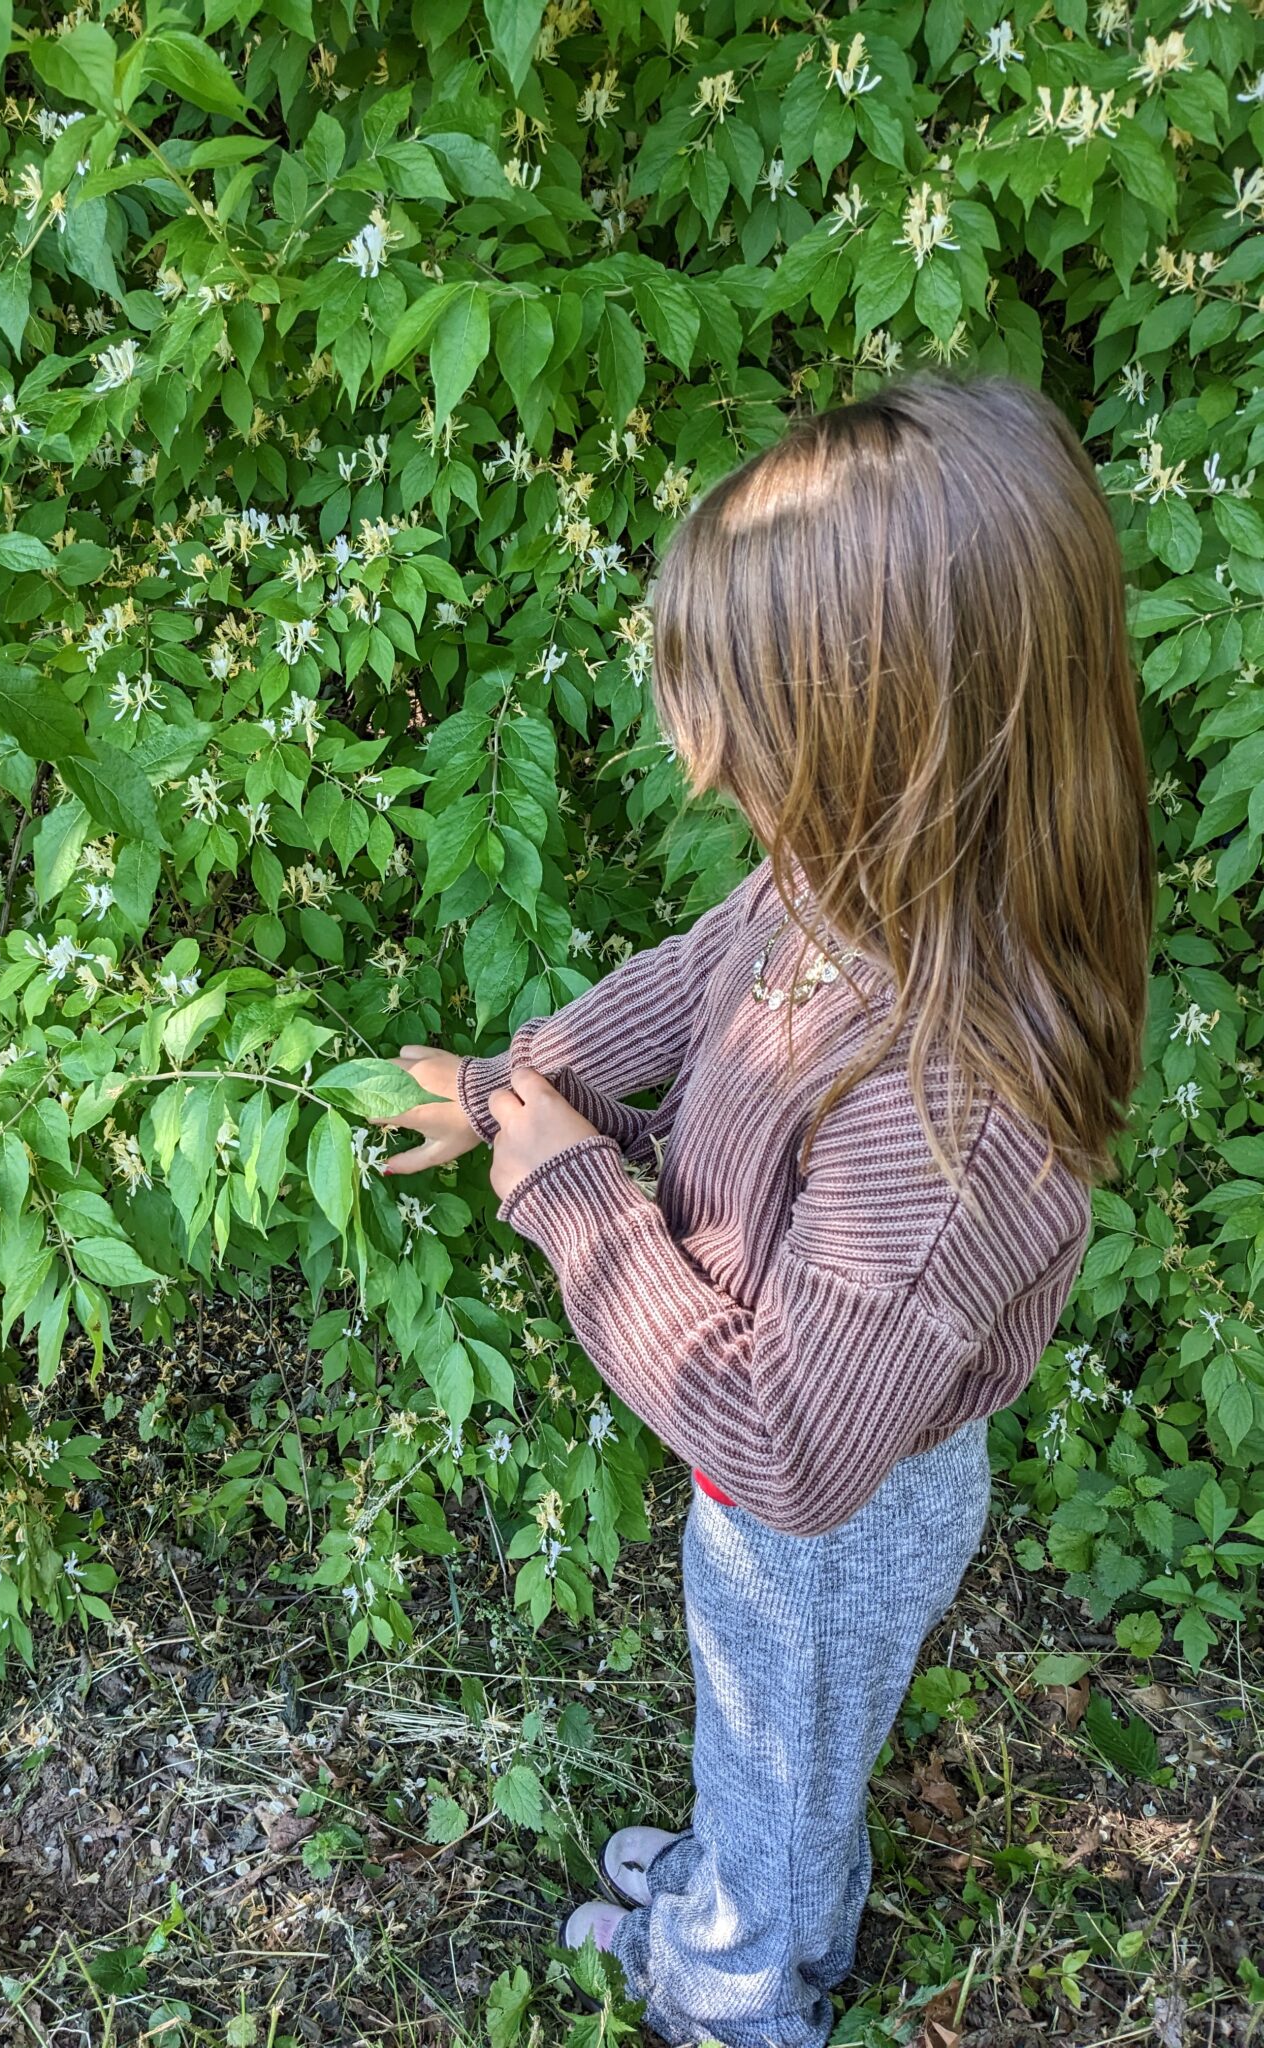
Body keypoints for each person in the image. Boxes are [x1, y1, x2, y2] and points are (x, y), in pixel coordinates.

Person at [376, 370, 1153, 2048]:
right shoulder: (856, 875)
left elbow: (795, 1448)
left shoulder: (953, 1107)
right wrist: (528, 1076)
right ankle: (764, 1880)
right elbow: (701, 977)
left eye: (744, 724)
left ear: (892, 729)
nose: (701, 760)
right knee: (774, 1744)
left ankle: (737, 1988)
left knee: (784, 1731)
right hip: (787, 1483)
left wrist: (571, 1188)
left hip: (829, 1514)